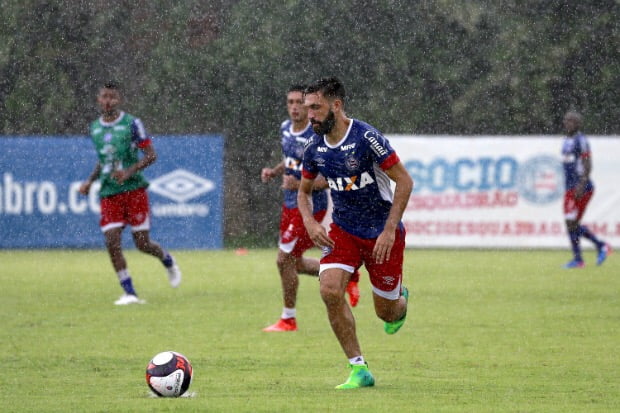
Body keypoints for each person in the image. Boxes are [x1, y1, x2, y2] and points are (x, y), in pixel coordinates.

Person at [298, 77, 413, 389]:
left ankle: (400, 302)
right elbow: (303, 191)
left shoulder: (366, 137)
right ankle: (359, 369)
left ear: (336, 105)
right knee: (329, 290)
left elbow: (404, 181)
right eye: (308, 108)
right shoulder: (314, 147)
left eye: (316, 108)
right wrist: (310, 222)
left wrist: (390, 230)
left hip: (381, 234)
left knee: (386, 314)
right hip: (344, 232)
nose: (310, 115)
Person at [261, 84, 360, 332]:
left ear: (308, 107)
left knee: (283, 260)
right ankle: (347, 274)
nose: (295, 107)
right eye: (290, 102)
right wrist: (274, 171)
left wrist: (301, 185)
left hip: (310, 205)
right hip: (289, 203)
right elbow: (291, 159)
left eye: (299, 103)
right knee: (295, 263)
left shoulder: (316, 137)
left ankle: (288, 318)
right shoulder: (285, 129)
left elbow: (331, 177)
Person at [79, 81, 181, 305]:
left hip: (133, 190)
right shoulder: (94, 128)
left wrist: (129, 172)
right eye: (104, 97)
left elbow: (151, 155)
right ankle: (129, 292)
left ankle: (167, 260)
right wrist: (89, 182)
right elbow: (103, 160)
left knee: (142, 243)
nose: (108, 101)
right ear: (98, 100)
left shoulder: (132, 124)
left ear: (119, 100)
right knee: (111, 240)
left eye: (112, 97)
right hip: (109, 192)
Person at [561, 110, 611, 268]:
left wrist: (582, 184)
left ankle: (591, 251)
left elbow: (587, 163)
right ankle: (586, 254)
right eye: (566, 120)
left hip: (581, 187)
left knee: (571, 222)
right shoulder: (565, 141)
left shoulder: (581, 140)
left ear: (578, 124)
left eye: (571, 121)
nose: (568, 123)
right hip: (570, 187)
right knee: (572, 223)